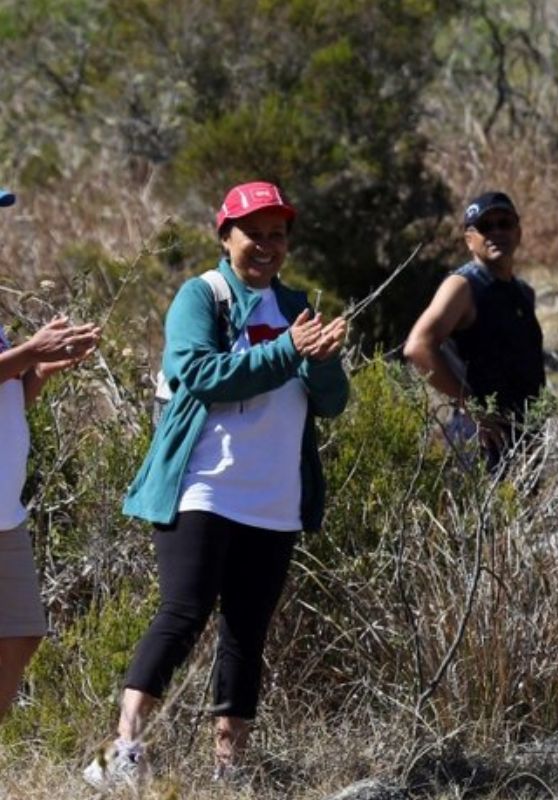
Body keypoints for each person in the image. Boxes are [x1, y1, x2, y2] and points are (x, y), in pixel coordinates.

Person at [85, 181, 349, 787]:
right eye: (252, 233)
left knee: (247, 631)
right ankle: (121, 753)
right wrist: (287, 351)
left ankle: (231, 769)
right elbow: (198, 373)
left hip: (274, 495)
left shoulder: (296, 306)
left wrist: (324, 360)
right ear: (224, 235)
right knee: (184, 610)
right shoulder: (200, 296)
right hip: (203, 485)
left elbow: (329, 403)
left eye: (276, 234)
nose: (265, 245)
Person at [0, 187, 101, 722]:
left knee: (22, 632)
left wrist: (37, 373)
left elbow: (6, 398)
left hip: (4, 512)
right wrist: (30, 351)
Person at [404, 191, 545, 469]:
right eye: (485, 227)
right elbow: (418, 346)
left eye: (504, 223)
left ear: (518, 232)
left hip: (524, 432)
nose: (496, 232)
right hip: (479, 435)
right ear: (470, 239)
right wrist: (474, 409)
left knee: (526, 512)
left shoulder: (523, 293)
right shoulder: (463, 286)